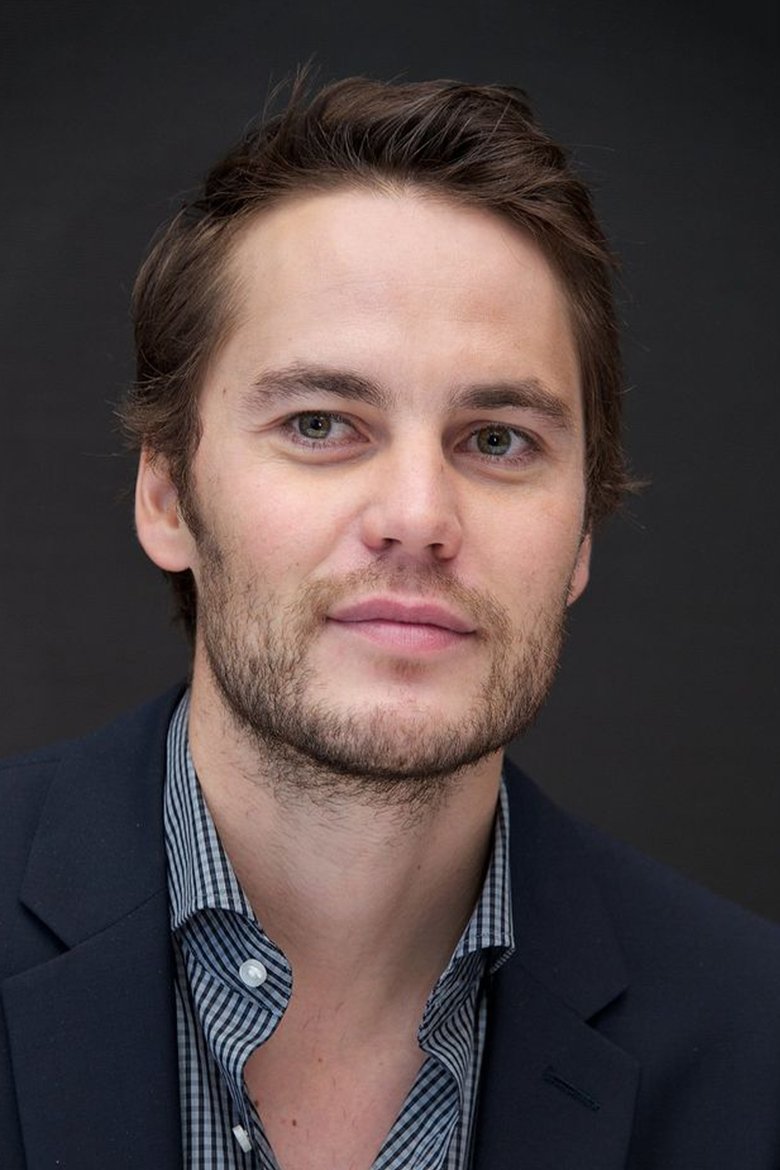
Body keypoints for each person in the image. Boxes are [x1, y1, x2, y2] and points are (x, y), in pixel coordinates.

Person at [1, 75, 779, 1170]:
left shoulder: (757, 1044)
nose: (418, 517)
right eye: (322, 423)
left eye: (498, 440)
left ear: (581, 535)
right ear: (168, 495)